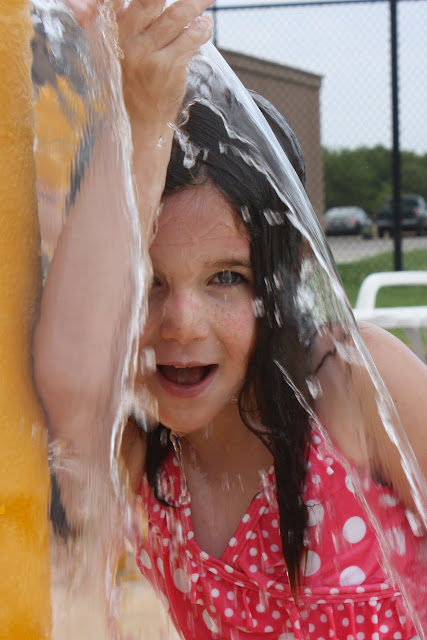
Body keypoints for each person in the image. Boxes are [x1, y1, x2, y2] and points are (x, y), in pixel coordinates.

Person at [33, 0, 427, 637]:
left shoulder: (348, 384)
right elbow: (72, 379)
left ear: (283, 274)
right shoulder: (138, 447)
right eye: (149, 282)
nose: (182, 323)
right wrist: (137, 115)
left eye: (227, 278)